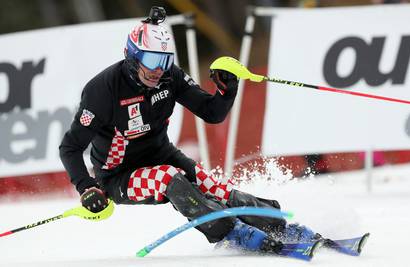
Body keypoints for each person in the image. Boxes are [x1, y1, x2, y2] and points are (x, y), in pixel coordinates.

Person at [59, 6, 318, 254]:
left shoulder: (169, 76)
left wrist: (227, 90)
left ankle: (281, 227)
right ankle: (231, 233)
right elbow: (70, 147)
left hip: (162, 155)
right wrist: (87, 187)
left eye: (164, 59)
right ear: (132, 55)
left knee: (217, 187)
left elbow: (212, 113)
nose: (158, 68)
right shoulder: (102, 90)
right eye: (151, 59)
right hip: (118, 176)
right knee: (168, 177)